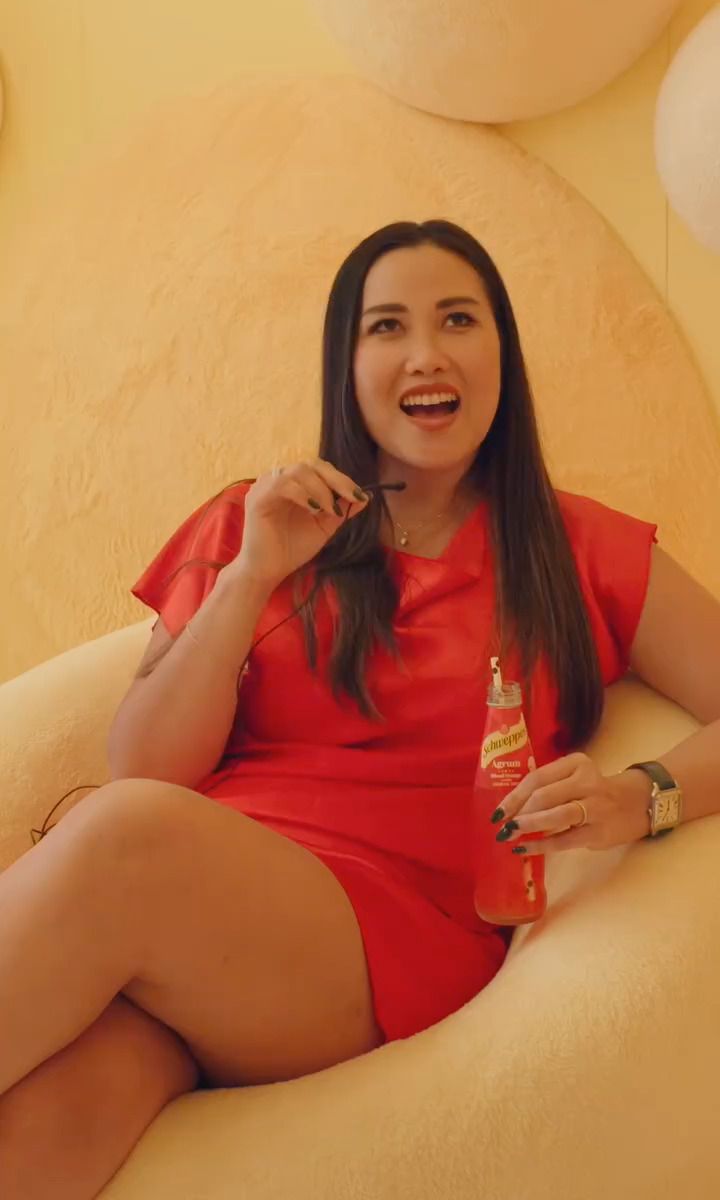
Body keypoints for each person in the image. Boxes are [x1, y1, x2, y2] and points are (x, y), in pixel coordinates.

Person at [2, 219, 720, 1200]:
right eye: (388, 326)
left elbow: (137, 808)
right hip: (194, 925)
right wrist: (252, 573)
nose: (426, 353)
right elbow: (149, 761)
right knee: (51, 1121)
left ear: (501, 352)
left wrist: (641, 797)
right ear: (347, 363)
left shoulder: (579, 546)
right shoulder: (249, 521)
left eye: (457, 319)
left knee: (126, 833)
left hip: (384, 938)